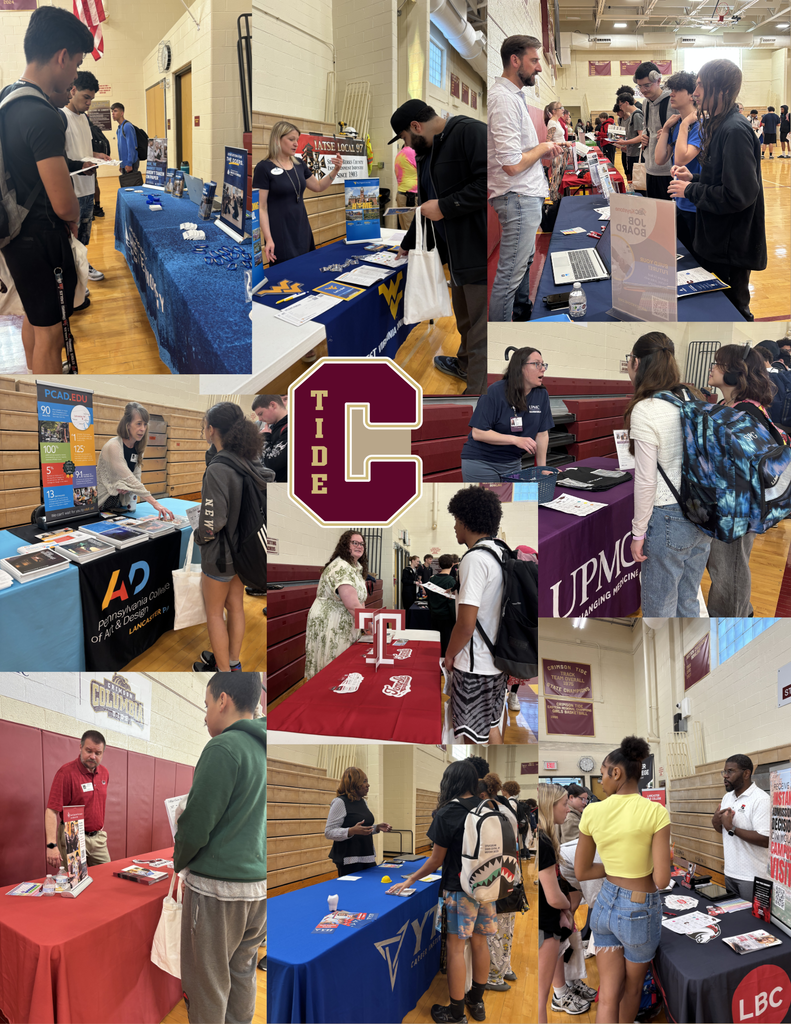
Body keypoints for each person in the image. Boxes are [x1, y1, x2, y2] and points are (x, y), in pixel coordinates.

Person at [0, 6, 93, 374]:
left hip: (15, 235)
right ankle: (51, 407)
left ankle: (37, 378)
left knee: (34, 320)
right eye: (76, 63)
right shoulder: (39, 112)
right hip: (40, 239)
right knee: (52, 336)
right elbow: (63, 202)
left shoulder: (9, 98)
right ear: (61, 56)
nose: (73, 74)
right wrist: (72, 218)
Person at [174, 675, 266, 1024]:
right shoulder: (264, 747)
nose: (206, 712)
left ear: (223, 700)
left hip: (217, 892)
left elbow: (196, 826)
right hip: (256, 889)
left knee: (207, 984)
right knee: (242, 973)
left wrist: (177, 862)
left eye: (207, 704)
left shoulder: (223, 747)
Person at [391, 100, 487, 394]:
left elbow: (490, 183)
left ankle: (477, 396)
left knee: (483, 329)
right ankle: (466, 365)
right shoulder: (425, 153)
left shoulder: (470, 132)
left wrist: (446, 206)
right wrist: (407, 244)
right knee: (466, 320)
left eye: (405, 138)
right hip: (454, 256)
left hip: (478, 251)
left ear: (416, 128)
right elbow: (425, 206)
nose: (406, 145)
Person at [574, 737, 671, 1024]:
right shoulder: (655, 812)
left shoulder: (592, 811)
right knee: (632, 990)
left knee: (608, 993)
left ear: (617, 773)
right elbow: (662, 879)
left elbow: (582, 872)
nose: (601, 779)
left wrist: (611, 870)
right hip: (639, 911)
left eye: (603, 772)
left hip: (604, 905)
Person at [393, 759, 496, 1024]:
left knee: (455, 948)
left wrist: (410, 880)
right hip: (487, 886)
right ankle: (477, 1001)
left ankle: (456, 1012)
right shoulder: (488, 806)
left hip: (459, 889)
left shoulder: (447, 812)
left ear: (448, 782)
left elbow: (435, 860)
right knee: (480, 942)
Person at [668, 60, 766, 321]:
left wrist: (691, 191)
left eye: (700, 85)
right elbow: (723, 179)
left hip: (730, 247)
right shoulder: (720, 125)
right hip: (717, 240)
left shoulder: (734, 130)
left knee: (730, 311)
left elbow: (739, 195)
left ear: (720, 89)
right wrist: (695, 179)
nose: (695, 92)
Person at [624, 332, 712, 616]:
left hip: (669, 517)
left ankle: (663, 659)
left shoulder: (645, 409)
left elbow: (647, 481)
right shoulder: (693, 396)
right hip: (703, 512)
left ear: (636, 362)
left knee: (659, 611)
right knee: (688, 600)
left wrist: (638, 533)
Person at [487, 35, 564, 324]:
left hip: (523, 196)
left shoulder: (514, 96)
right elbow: (511, 164)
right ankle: (503, 336)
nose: (540, 69)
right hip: (517, 197)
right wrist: (544, 148)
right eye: (534, 61)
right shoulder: (503, 99)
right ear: (515, 60)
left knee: (522, 266)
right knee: (509, 276)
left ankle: (519, 315)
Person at [193, 403, 268, 674]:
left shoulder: (218, 469)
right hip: (243, 550)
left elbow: (213, 521)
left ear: (211, 430)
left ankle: (223, 672)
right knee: (235, 606)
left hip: (220, 555)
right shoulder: (250, 460)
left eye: (205, 426)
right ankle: (233, 662)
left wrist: (199, 535)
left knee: (214, 612)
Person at [705, 344, 778, 616]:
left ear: (735, 373)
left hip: (736, 507)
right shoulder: (727, 405)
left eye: (718, 363)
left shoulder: (747, 411)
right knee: (724, 569)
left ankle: (733, 619)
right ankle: (739, 610)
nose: (712, 367)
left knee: (730, 571)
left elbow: (747, 466)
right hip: (724, 501)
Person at [444, 487, 507, 745]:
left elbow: (466, 624)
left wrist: (449, 654)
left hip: (474, 667)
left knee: (470, 737)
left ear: (467, 521)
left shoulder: (474, 559)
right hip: (497, 663)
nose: (455, 527)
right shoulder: (501, 553)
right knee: (492, 727)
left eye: (456, 520)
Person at [252, 120, 342, 265]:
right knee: (286, 274)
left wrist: (335, 170)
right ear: (277, 139)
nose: (296, 144)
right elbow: (261, 207)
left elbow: (318, 186)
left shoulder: (299, 163)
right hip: (280, 231)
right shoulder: (263, 168)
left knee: (307, 267)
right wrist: (268, 238)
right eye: (291, 139)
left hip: (301, 227)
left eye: (297, 140)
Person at [460, 346, 553, 482]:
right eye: (537, 364)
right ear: (520, 367)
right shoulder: (494, 392)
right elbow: (478, 433)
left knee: (511, 502)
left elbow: (542, 434)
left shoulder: (541, 394)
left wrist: (542, 468)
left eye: (543, 364)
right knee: (488, 502)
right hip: (482, 461)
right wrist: (515, 440)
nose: (543, 368)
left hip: (512, 464)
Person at [538, 783, 589, 1020]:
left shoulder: (548, 837)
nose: (567, 808)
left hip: (555, 912)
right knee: (541, 995)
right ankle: (560, 994)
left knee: (564, 947)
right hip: (549, 916)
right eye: (563, 803)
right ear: (550, 806)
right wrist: (567, 908)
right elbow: (552, 893)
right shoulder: (544, 842)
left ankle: (565, 987)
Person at [304, 530, 370, 679]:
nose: (359, 546)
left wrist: (364, 625)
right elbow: (352, 605)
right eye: (355, 543)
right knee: (331, 663)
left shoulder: (356, 568)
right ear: (345, 545)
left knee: (344, 664)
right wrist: (369, 625)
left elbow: (360, 600)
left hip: (346, 621)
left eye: (362, 544)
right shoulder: (341, 567)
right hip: (330, 622)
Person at [96, 402, 176, 519]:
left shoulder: (138, 448)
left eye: (145, 424)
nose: (142, 429)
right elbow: (129, 479)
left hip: (119, 505)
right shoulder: (113, 446)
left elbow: (136, 478)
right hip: (101, 504)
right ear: (128, 425)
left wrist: (126, 486)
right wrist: (156, 504)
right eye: (138, 424)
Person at [62, 71, 105, 287]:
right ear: (72, 90)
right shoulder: (60, 116)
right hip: (72, 191)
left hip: (88, 188)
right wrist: (80, 166)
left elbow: (83, 149)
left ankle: (83, 267)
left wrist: (97, 156)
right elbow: (59, 157)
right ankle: (74, 280)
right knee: (72, 240)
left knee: (85, 237)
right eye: (85, 97)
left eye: (91, 99)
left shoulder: (85, 118)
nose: (89, 103)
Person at [45, 730, 111, 871]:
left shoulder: (104, 773)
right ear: (80, 747)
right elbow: (51, 811)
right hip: (73, 835)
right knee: (75, 882)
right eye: (88, 751)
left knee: (106, 877)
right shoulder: (66, 773)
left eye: (98, 753)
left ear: (103, 753)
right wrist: (51, 845)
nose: (92, 756)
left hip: (98, 837)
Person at [654, 71, 701, 257]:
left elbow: (682, 159)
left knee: (696, 257)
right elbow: (659, 159)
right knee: (683, 255)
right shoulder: (678, 123)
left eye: (677, 90)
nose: (671, 94)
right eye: (671, 90)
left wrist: (683, 125)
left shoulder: (698, 124)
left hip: (695, 202)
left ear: (692, 95)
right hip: (679, 199)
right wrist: (666, 129)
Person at [711, 754, 770, 902]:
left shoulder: (761, 800)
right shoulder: (727, 798)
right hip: (730, 872)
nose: (725, 776)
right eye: (724, 771)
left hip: (753, 877)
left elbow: (765, 840)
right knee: (735, 921)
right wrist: (715, 822)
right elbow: (723, 830)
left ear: (746, 773)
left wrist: (732, 828)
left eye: (730, 771)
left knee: (754, 924)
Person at [324, 767, 392, 877]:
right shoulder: (340, 802)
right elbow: (329, 832)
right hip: (349, 859)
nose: (368, 785)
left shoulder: (363, 802)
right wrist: (350, 831)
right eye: (364, 781)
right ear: (353, 783)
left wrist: (377, 828)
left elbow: (362, 829)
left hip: (367, 854)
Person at [630, 62, 674, 199]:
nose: (643, 90)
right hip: (649, 167)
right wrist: (644, 135)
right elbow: (646, 127)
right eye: (640, 86)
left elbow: (688, 127)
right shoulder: (645, 103)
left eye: (647, 85)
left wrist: (670, 134)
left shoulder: (673, 101)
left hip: (669, 170)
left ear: (658, 80)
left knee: (671, 215)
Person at [425, 553, 457, 656]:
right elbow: (452, 603)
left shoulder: (432, 579)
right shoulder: (451, 581)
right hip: (447, 617)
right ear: (452, 564)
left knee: (435, 642)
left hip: (434, 615)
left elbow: (429, 599)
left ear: (439, 565)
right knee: (446, 643)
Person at [252, 394, 287, 482]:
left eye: (261, 414)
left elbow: (270, 465)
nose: (259, 419)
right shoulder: (272, 427)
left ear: (273, 405)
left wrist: (264, 438)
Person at [613, 91, 644, 184]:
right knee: (632, 181)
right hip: (631, 153)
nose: (620, 107)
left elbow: (641, 137)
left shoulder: (637, 115)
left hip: (636, 154)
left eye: (620, 105)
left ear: (626, 103)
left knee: (638, 182)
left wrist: (624, 143)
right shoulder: (631, 116)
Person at [110, 103, 142, 186]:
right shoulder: (119, 129)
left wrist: (129, 163)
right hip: (124, 164)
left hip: (130, 163)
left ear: (122, 113)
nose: (113, 113)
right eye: (112, 111)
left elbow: (131, 147)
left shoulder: (127, 126)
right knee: (126, 188)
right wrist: (121, 164)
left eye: (115, 111)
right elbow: (121, 148)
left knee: (133, 187)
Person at [394, 141, 417, 230]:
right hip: (410, 197)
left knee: (405, 229)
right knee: (412, 230)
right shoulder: (411, 152)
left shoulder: (400, 153)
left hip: (402, 195)